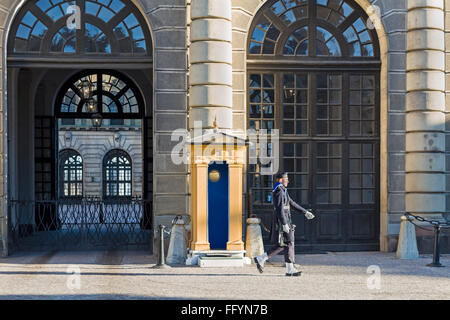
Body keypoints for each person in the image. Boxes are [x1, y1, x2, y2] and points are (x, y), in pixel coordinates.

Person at [254, 172, 315, 276]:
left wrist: (305, 212)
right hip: (282, 220)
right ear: (281, 179)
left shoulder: (282, 190)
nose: (288, 180)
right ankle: (289, 268)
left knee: (284, 243)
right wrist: (284, 223)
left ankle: (263, 259)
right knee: (289, 242)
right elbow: (279, 208)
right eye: (286, 179)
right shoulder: (279, 190)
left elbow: (291, 203)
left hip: (284, 219)